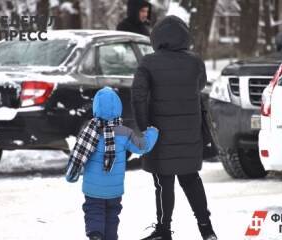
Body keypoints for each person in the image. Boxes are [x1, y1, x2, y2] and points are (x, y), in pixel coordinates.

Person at [131, 16, 218, 240]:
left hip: (160, 135)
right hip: (190, 133)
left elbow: (138, 96)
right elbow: (199, 87)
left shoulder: (149, 62)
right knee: (191, 179)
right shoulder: (195, 61)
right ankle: (206, 229)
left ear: (157, 37)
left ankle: (163, 231)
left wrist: (144, 128)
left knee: (163, 182)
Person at [65, 87, 159, 240]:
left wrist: (72, 173)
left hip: (92, 188)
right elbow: (143, 146)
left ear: (96, 108)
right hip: (114, 189)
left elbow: (79, 153)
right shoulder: (125, 132)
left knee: (94, 211)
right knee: (112, 215)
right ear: (118, 107)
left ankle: (95, 235)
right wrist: (152, 133)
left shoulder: (89, 131)